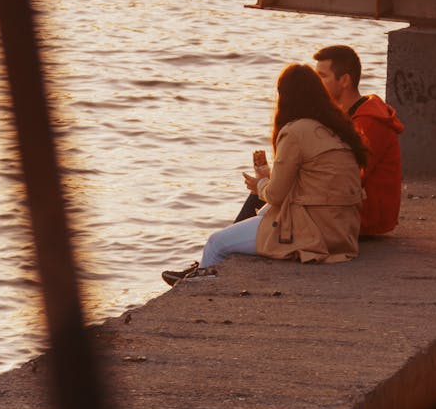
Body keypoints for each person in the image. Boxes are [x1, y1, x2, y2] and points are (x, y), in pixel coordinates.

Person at [162, 63, 365, 284]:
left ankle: (200, 289)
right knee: (263, 214)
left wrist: (260, 185)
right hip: (342, 231)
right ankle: (200, 271)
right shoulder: (336, 128)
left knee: (216, 243)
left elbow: (276, 195)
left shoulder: (295, 131)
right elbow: (315, 180)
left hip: (314, 233)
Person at [313, 44, 404, 237]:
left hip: (367, 216)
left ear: (344, 80)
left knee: (281, 206)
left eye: (322, 77)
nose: (315, 84)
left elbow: (350, 176)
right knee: (272, 195)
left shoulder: (369, 123)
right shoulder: (345, 115)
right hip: (351, 207)